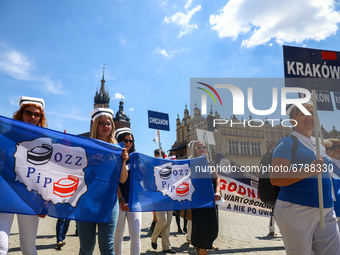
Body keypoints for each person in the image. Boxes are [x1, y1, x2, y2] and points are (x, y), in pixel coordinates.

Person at [270, 103, 340, 254]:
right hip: (296, 209)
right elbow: (276, 178)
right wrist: (309, 170)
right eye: (302, 113)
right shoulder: (287, 143)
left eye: (312, 113)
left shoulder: (318, 144)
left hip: (326, 208)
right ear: (292, 120)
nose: (309, 117)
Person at [76, 108, 128, 255]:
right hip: (86, 200)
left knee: (107, 247)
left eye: (109, 123)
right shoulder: (85, 146)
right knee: (86, 247)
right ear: (95, 126)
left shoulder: (117, 149)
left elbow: (122, 179)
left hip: (108, 201)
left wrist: (123, 161)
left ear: (112, 126)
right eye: (102, 123)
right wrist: (90, 161)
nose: (106, 126)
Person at [0, 96, 47, 255]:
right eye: (28, 113)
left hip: (29, 196)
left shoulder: (45, 142)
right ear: (21, 114)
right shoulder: (5, 136)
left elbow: (47, 173)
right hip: (5, 194)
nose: (33, 117)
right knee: (1, 246)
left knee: (28, 248)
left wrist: (44, 201)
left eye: (37, 114)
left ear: (41, 118)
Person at [113, 128, 141, 255]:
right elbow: (115, 182)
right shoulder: (114, 159)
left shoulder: (136, 158)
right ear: (119, 141)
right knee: (118, 235)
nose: (128, 143)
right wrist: (121, 200)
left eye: (131, 141)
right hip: (119, 200)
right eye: (125, 140)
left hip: (134, 201)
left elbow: (140, 180)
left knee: (136, 234)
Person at [189, 140, 221, 255]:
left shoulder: (210, 163)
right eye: (199, 147)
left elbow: (217, 179)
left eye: (203, 147)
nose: (202, 149)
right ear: (195, 150)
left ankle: (206, 243)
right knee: (201, 225)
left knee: (213, 225)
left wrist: (217, 192)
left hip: (211, 199)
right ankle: (202, 248)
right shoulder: (191, 163)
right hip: (199, 200)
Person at [151, 149, 176, 254]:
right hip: (158, 199)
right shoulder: (152, 167)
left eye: (161, 155)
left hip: (169, 198)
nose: (159, 157)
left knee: (168, 223)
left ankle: (166, 247)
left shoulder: (170, 167)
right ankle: (154, 237)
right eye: (157, 155)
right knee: (162, 221)